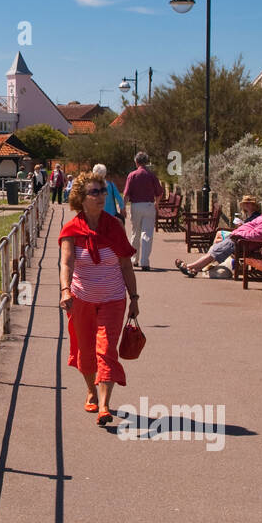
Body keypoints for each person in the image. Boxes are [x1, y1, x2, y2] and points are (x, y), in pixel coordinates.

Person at [59, 170, 140, 426]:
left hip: (113, 299)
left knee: (106, 350)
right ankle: (91, 390)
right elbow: (66, 263)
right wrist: (65, 290)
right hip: (81, 299)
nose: (101, 196)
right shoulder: (71, 229)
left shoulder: (114, 227)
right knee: (85, 350)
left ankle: (104, 405)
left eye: (103, 191)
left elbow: (126, 265)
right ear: (81, 198)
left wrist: (134, 297)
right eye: (94, 192)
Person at [175, 197, 262, 276]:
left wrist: (237, 234)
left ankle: (190, 267)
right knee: (215, 249)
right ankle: (194, 269)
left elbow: (256, 235)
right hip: (239, 239)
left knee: (215, 251)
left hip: (242, 242)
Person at [124, 152, 164, 271]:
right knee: (147, 234)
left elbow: (126, 194)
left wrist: (123, 207)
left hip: (136, 205)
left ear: (136, 162)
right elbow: (159, 192)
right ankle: (145, 262)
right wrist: (157, 203)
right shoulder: (151, 175)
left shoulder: (132, 175)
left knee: (135, 232)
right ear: (146, 162)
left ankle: (134, 259)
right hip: (148, 205)